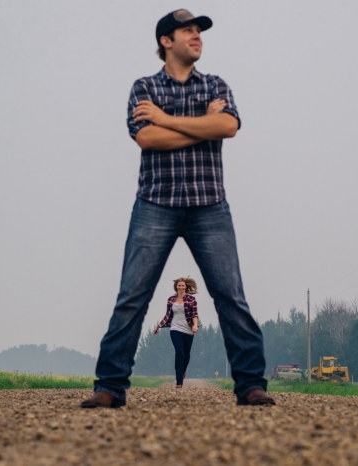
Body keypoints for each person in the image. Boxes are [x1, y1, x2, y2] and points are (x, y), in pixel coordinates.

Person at [81, 9, 274, 408]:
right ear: (166, 41)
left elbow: (227, 127)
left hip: (209, 205)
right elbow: (148, 138)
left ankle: (251, 384)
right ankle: (110, 386)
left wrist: (169, 119)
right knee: (132, 296)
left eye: (199, 31)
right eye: (188, 31)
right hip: (156, 203)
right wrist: (200, 125)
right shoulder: (144, 87)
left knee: (230, 296)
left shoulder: (216, 85)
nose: (197, 36)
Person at [152, 277, 199, 388]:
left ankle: (182, 371)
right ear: (176, 287)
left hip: (188, 330)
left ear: (185, 287)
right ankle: (179, 382)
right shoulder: (171, 300)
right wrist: (158, 327)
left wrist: (195, 325)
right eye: (179, 285)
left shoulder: (191, 299)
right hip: (175, 329)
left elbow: (194, 314)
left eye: (183, 285)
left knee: (186, 355)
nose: (181, 287)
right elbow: (167, 315)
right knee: (179, 352)